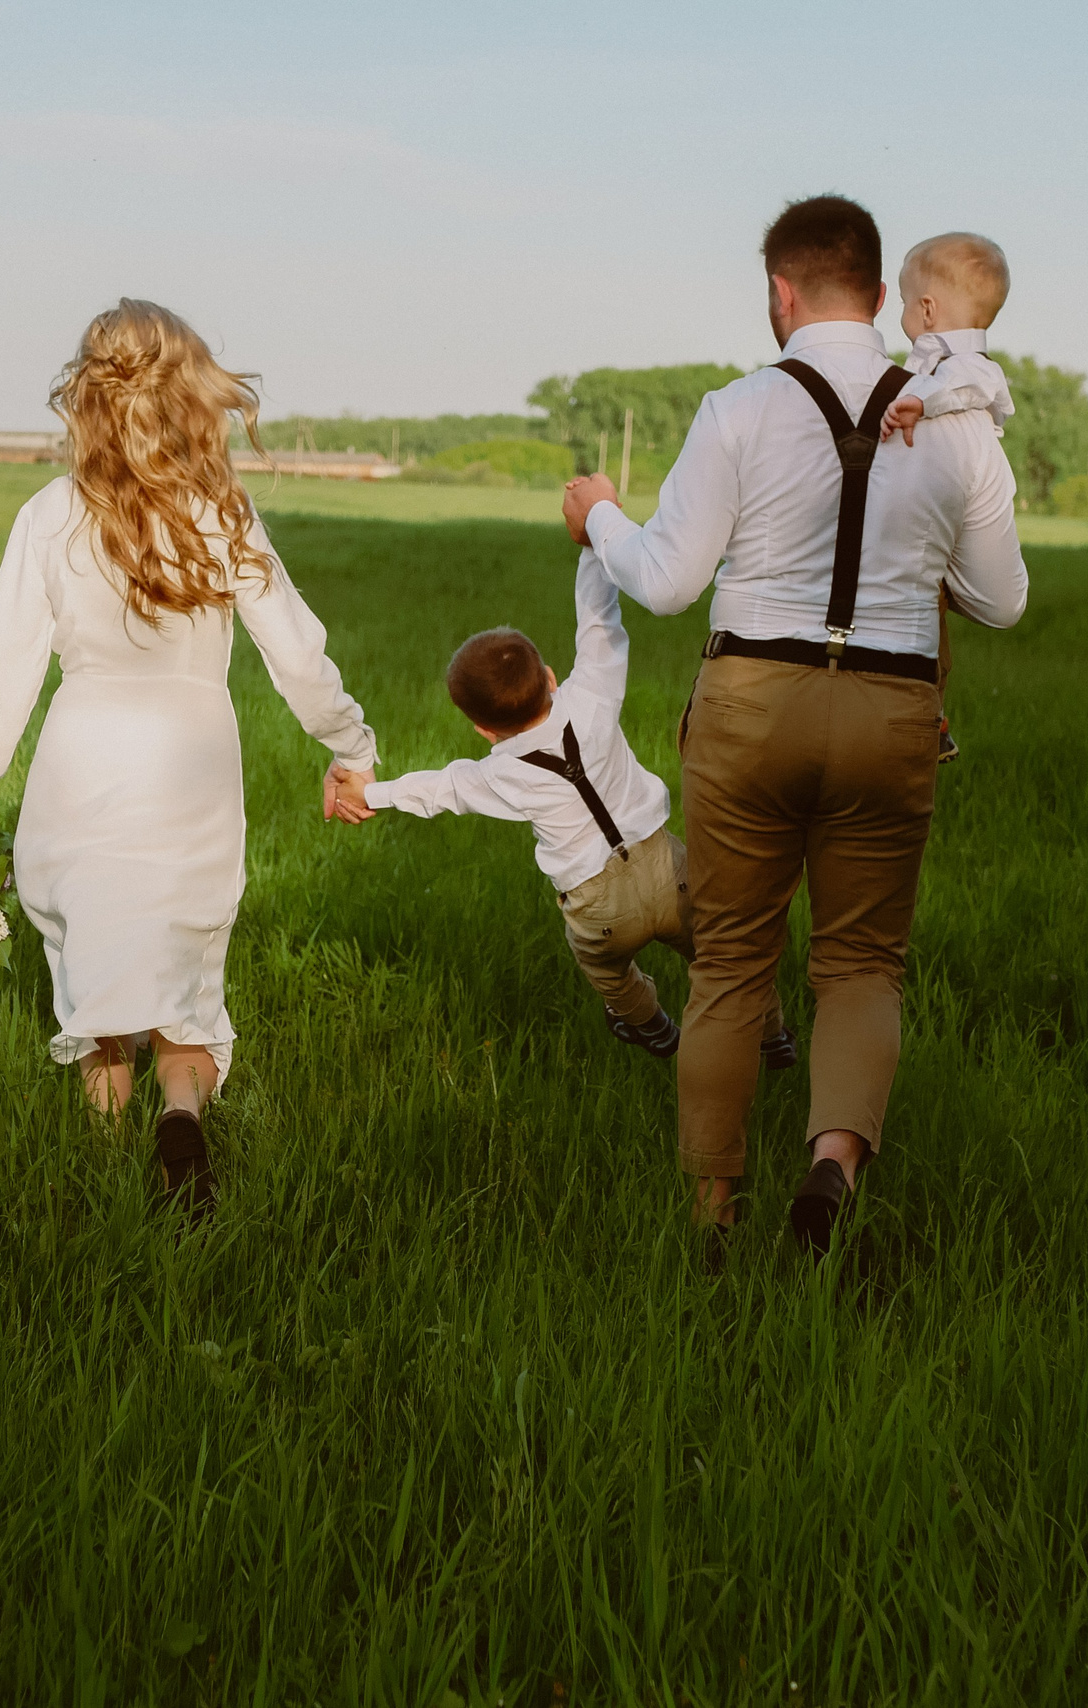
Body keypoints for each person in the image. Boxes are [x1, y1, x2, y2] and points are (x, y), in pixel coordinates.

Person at [562, 195, 1029, 1258]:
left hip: (752, 707)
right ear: (878, 298)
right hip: (891, 709)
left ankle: (711, 1213)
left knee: (729, 962)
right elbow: (1002, 601)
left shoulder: (737, 409)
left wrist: (598, 515)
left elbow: (670, 582)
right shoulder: (956, 422)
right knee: (862, 962)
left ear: (780, 293)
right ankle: (829, 1167)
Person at [0, 299, 378, 1218]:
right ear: (191, 390)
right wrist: (351, 745)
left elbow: (3, 678)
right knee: (183, 977)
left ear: (86, 397)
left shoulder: (49, 514)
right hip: (192, 765)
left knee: (101, 982)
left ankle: (102, 1177)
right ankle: (182, 1115)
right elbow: (294, 650)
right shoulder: (219, 510)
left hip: (82, 761)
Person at [356, 549, 797, 1066]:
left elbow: (439, 790)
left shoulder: (500, 774)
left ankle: (648, 1024)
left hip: (597, 907)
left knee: (608, 972)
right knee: (727, 960)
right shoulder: (591, 694)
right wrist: (592, 543)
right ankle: (770, 1035)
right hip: (666, 867)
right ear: (548, 676)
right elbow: (597, 620)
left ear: (481, 729)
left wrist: (367, 793)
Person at [878, 231, 1017, 765]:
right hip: (945, 509)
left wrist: (918, 401)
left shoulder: (965, 365)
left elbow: (963, 384)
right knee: (924, 605)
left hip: (970, 502)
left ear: (928, 309)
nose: (903, 317)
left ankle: (931, 713)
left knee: (993, 604)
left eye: (908, 305)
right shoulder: (932, 361)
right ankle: (931, 719)